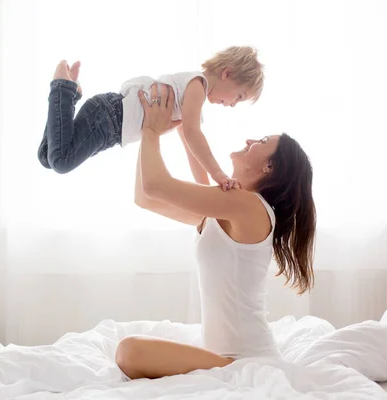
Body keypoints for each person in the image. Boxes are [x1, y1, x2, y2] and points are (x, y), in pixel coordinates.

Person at [115, 84, 316, 380]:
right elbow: (145, 197)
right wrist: (168, 128)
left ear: (268, 167)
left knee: (129, 351)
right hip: (222, 359)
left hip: (247, 360)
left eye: (261, 140)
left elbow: (155, 185)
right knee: (130, 351)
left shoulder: (250, 207)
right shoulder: (226, 208)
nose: (250, 139)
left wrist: (151, 131)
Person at [37, 46, 264, 190]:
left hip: (109, 124)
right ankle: (62, 88)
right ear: (228, 73)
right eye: (239, 96)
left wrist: (204, 188)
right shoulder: (197, 85)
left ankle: (69, 94)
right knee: (62, 162)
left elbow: (190, 146)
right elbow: (194, 135)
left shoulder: (191, 96)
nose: (233, 104)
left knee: (48, 158)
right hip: (109, 118)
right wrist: (219, 174)